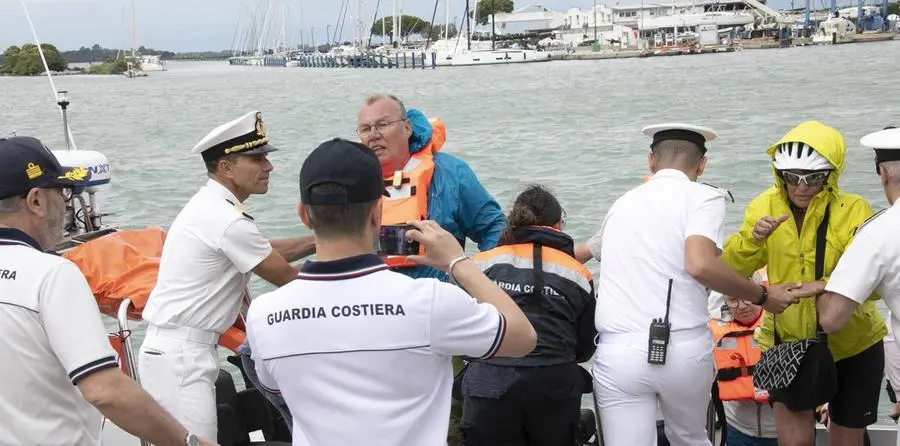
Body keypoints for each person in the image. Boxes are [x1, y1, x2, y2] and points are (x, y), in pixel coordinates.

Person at [244, 138, 536, 446]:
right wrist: (457, 262)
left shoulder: (264, 316)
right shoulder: (428, 302)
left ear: (304, 214)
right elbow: (522, 336)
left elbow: (274, 387)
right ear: (378, 213)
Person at [575, 123, 800, 445]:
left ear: (651, 160)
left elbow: (580, 253)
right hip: (680, 348)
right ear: (702, 164)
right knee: (690, 439)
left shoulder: (623, 203)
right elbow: (700, 263)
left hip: (618, 351)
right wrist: (762, 295)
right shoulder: (704, 197)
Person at [0, 136, 216, 446]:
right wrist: (189, 442)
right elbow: (105, 391)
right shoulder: (50, 274)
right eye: (61, 193)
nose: (65, 206)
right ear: (35, 201)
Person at [138, 111, 316, 440]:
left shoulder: (212, 208)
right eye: (257, 158)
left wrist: (322, 239)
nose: (268, 167)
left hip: (181, 350)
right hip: (182, 358)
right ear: (227, 167)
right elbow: (286, 276)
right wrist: (353, 261)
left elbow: (263, 250)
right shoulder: (226, 220)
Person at [721, 121, 886, 445]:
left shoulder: (853, 210)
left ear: (831, 174)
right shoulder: (762, 206)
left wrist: (821, 285)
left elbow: (878, 284)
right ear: (779, 174)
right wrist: (753, 240)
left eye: (813, 178)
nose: (801, 187)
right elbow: (729, 269)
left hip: (855, 342)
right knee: (794, 443)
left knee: (846, 441)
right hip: (788, 341)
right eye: (791, 177)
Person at [356, 93, 507, 443]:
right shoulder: (354, 180)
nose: (373, 135)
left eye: (382, 125)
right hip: (371, 317)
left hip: (438, 312)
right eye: (365, 129)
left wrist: (474, 282)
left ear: (407, 126)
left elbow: (492, 229)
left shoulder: (450, 172)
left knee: (446, 416)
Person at [459, 185, 597, 446]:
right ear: (558, 225)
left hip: (488, 384)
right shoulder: (578, 273)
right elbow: (584, 347)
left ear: (512, 223)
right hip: (555, 384)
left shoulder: (481, 264)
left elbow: (462, 332)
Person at [709, 270, 778, 445]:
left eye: (747, 297)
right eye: (733, 300)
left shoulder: (782, 322)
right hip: (738, 428)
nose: (741, 306)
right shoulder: (711, 331)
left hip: (781, 429)